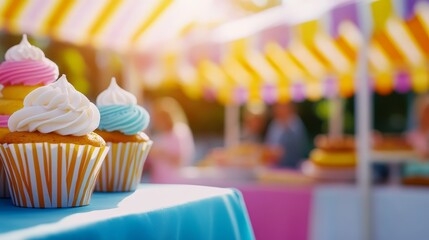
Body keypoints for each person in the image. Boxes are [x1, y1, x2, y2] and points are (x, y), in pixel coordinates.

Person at [147, 97, 195, 183]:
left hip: (174, 181)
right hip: (159, 181)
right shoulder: (160, 135)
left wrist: (160, 153)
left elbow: (179, 159)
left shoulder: (179, 131)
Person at [265, 102, 309, 169]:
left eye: (281, 106)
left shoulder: (296, 123)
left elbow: (300, 147)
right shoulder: (274, 124)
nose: (278, 109)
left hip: (293, 167)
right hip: (275, 167)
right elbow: (268, 143)